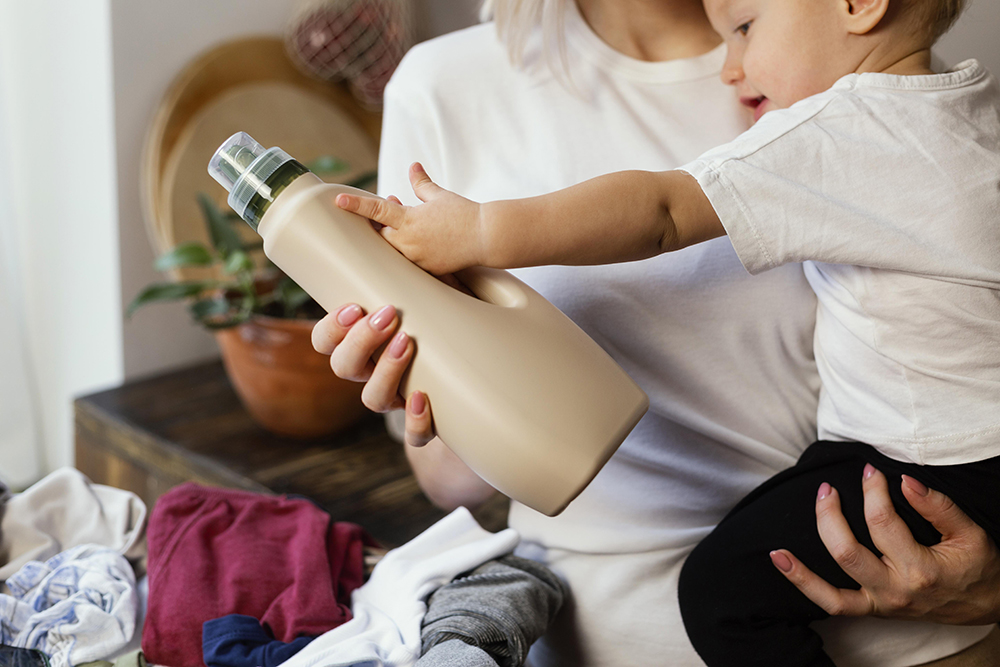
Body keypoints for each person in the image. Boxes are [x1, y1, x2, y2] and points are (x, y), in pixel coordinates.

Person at [311, 0, 1000, 664]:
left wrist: (484, 229)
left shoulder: (837, 80)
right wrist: (427, 381)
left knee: (721, 591)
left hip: (909, 625)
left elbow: (662, 209)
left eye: (745, 30)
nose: (735, 70)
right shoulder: (444, 87)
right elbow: (451, 485)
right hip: (595, 629)